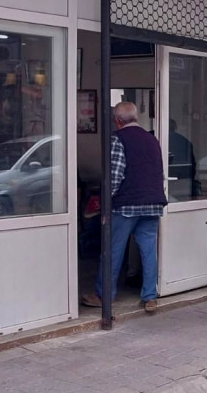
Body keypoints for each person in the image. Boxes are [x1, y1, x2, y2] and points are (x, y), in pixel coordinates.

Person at [81, 102, 168, 313]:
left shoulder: (118, 139)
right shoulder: (152, 139)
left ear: (117, 120)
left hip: (126, 205)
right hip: (153, 203)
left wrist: (104, 204)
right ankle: (149, 296)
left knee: (112, 250)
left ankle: (104, 296)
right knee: (148, 251)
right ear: (135, 118)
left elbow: (115, 176)